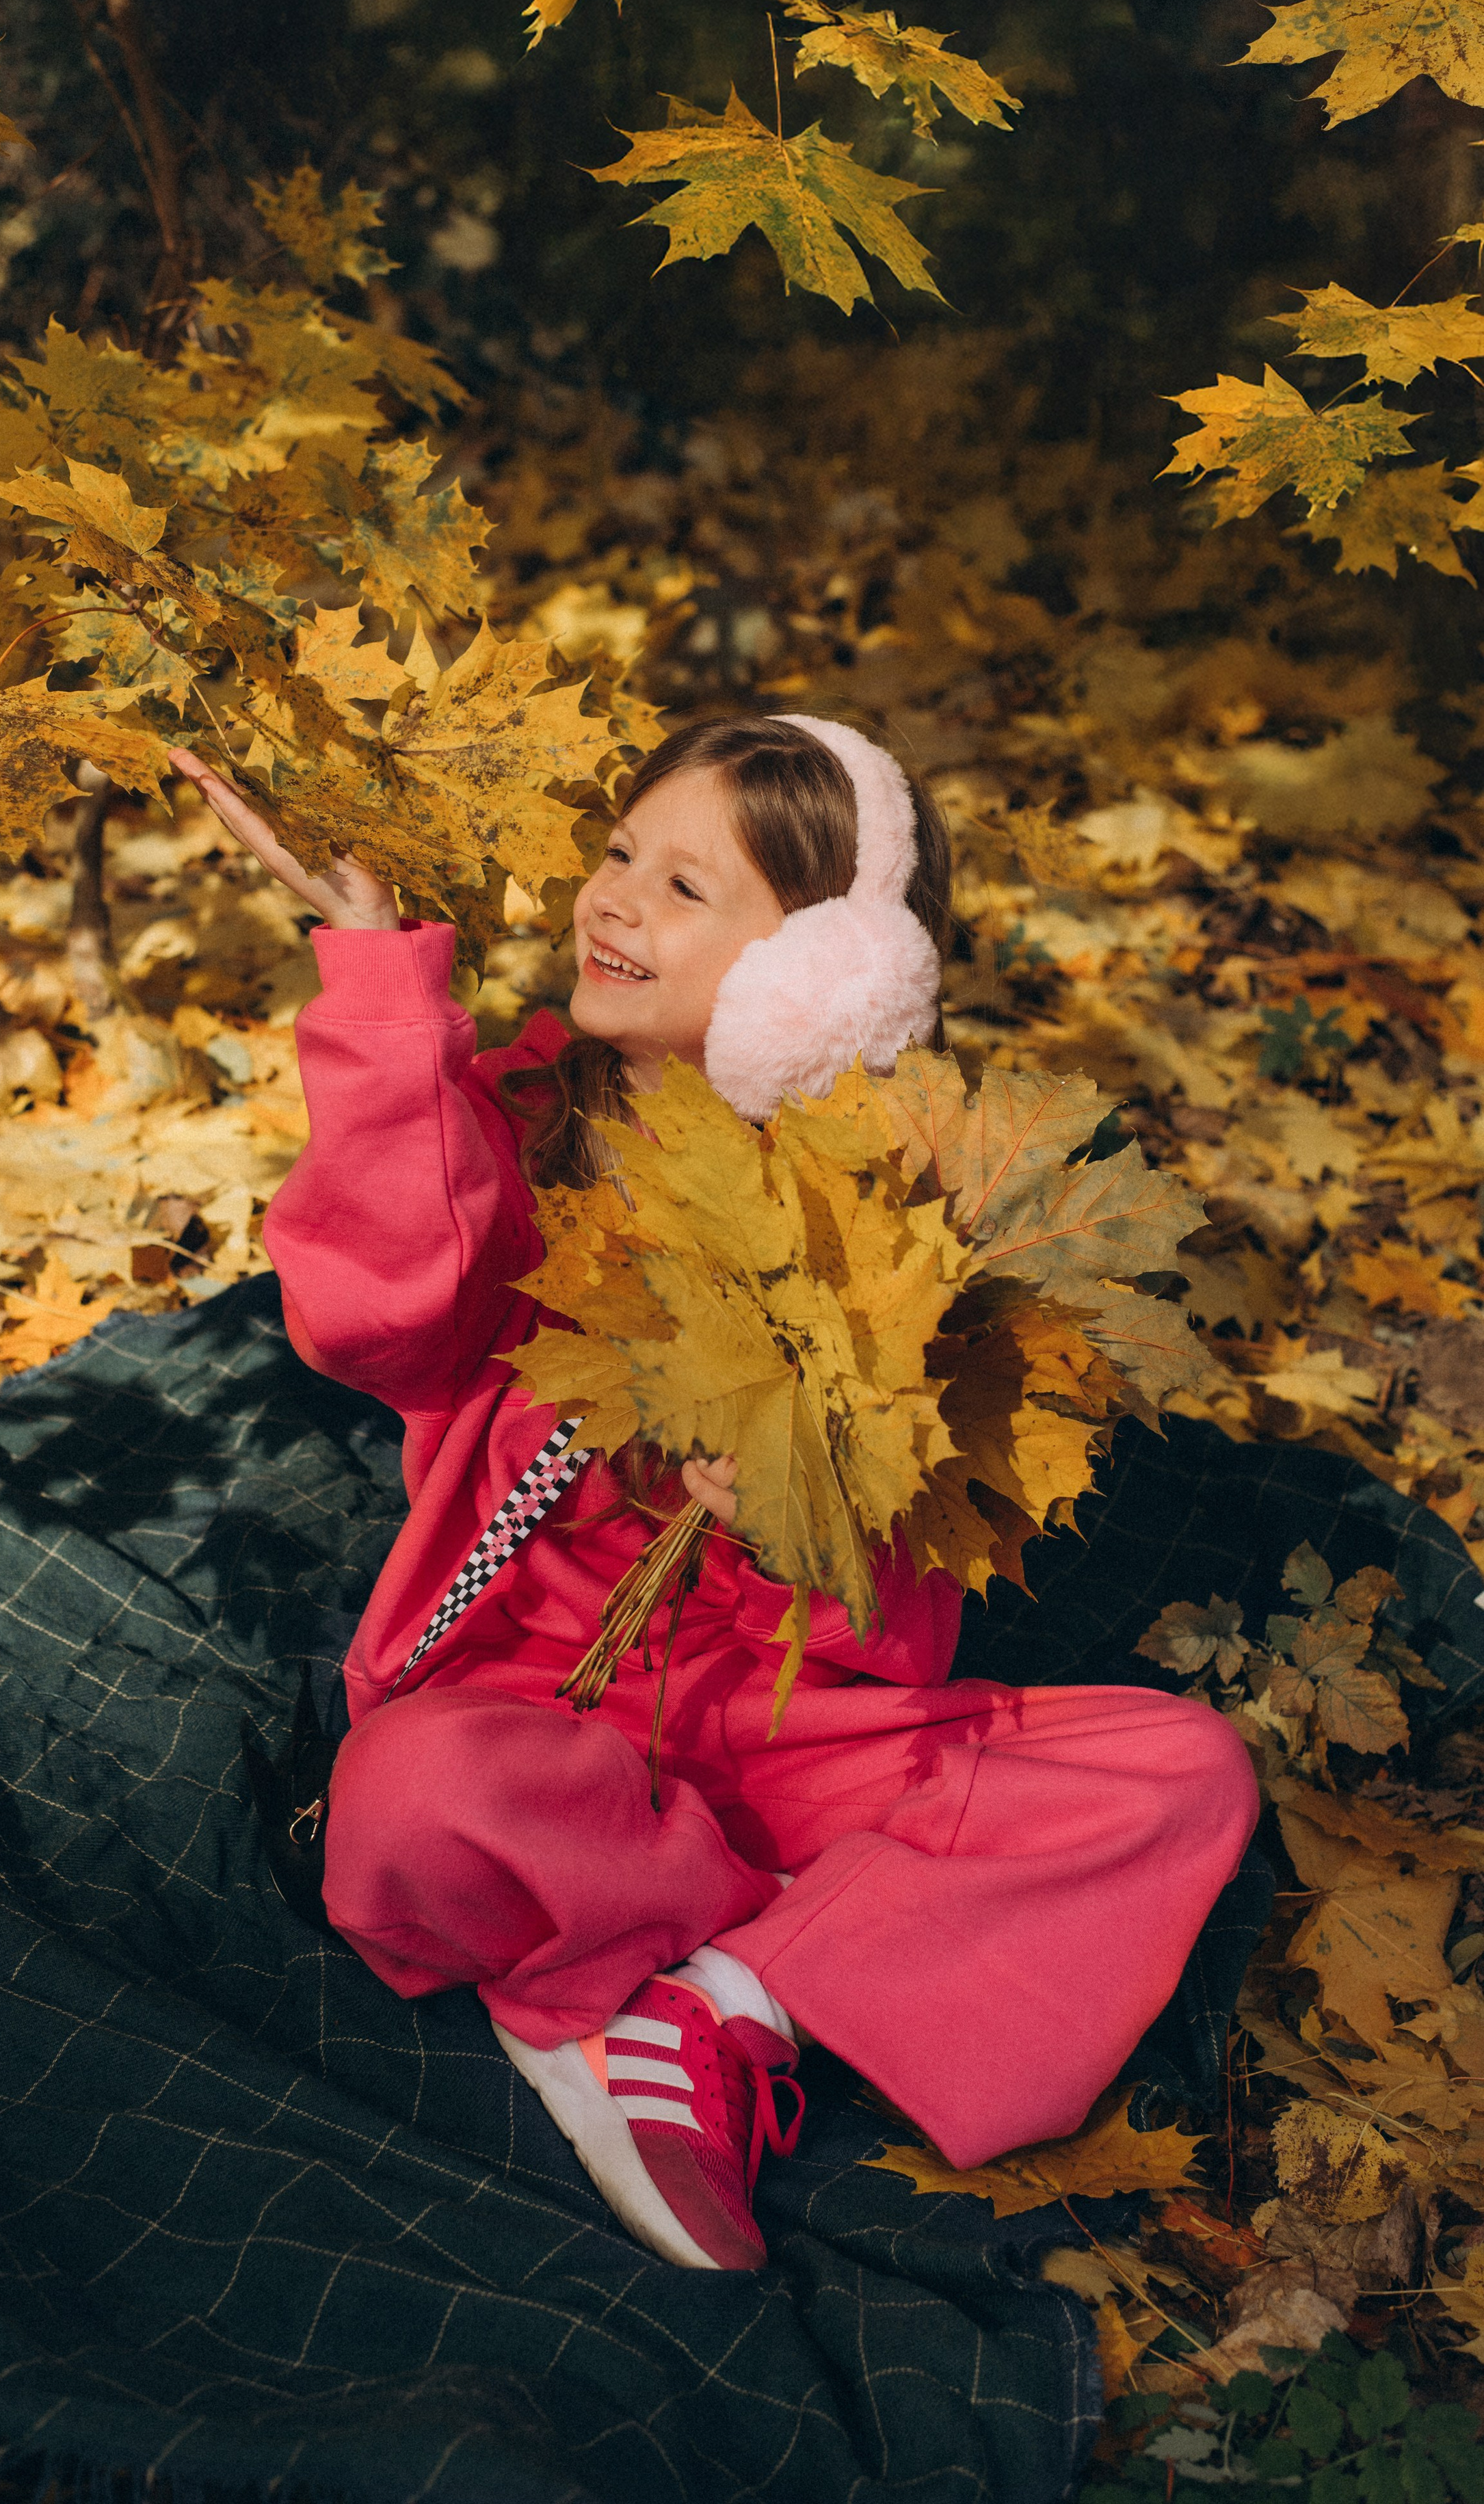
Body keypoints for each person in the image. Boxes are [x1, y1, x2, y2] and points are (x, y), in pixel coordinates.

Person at [169, 712, 1259, 2275]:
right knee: (404, 1811)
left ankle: (716, 2001)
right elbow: (383, 1315)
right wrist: (378, 995)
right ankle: (755, 1945)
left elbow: (908, 1621)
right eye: (619, 853)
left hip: (800, 1744)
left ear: (822, 974)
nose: (615, 900)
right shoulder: (534, 1123)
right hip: (541, 1713)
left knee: (1183, 1773)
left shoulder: (900, 1221)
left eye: (685, 888)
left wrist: (787, 1510)